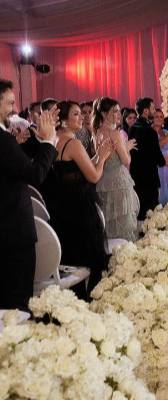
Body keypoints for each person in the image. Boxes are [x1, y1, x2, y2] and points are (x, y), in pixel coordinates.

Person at [0, 79, 59, 311]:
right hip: (12, 234)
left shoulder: (5, 140)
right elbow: (34, 174)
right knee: (17, 306)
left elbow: (11, 165)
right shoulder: (2, 139)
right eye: (10, 103)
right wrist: (48, 141)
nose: (16, 109)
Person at [51, 100, 113, 298]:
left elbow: (77, 170)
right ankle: (90, 300)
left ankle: (74, 300)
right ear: (63, 121)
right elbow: (94, 176)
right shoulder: (73, 143)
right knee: (90, 259)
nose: (83, 117)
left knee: (70, 256)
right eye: (76, 114)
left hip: (62, 205)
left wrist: (97, 158)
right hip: (80, 208)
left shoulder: (53, 140)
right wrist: (102, 158)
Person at [92, 97, 140, 241]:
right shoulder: (114, 134)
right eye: (116, 111)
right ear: (105, 113)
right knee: (123, 222)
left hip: (104, 180)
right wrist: (127, 147)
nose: (119, 115)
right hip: (118, 181)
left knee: (109, 221)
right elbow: (126, 160)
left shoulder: (97, 132)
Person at [129, 97, 168, 220]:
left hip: (135, 176)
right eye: (153, 108)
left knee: (139, 210)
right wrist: (165, 161)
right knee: (150, 214)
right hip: (148, 178)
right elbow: (156, 156)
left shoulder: (133, 128)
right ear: (146, 111)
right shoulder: (149, 131)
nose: (154, 111)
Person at [152, 108, 168, 205]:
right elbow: (157, 145)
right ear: (152, 118)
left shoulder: (166, 132)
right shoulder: (150, 132)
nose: (159, 119)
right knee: (160, 191)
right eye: (156, 116)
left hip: (167, 165)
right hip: (157, 163)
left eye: (161, 117)